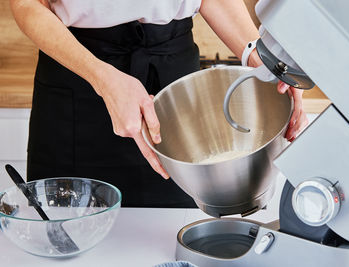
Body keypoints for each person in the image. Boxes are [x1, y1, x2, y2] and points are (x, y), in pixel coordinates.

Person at [10, 0, 308, 207]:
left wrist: (265, 63)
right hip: (78, 74)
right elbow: (26, 5)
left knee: (168, 235)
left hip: (173, 79)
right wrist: (101, 77)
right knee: (66, 232)